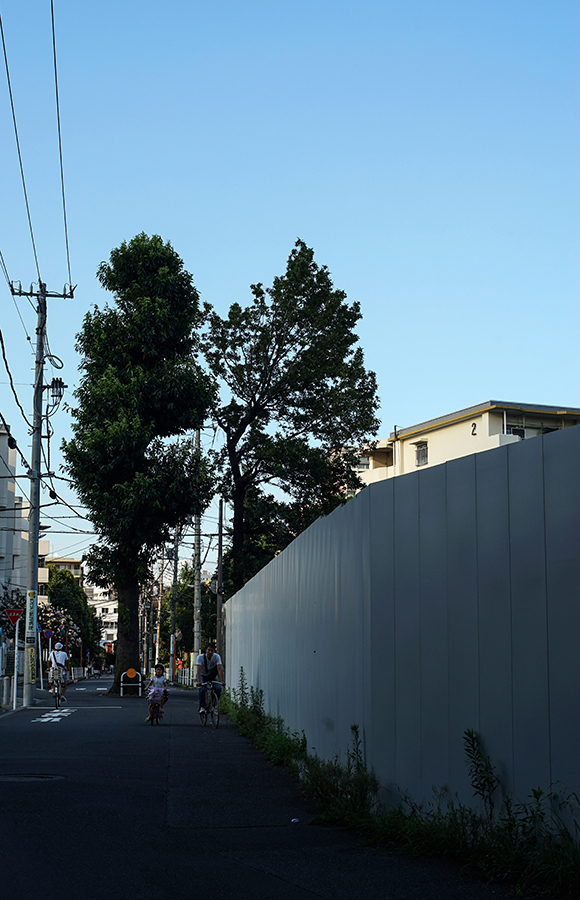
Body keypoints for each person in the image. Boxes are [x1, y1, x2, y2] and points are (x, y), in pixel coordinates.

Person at [196, 643, 225, 714]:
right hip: (202, 675)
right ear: (205, 650)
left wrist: (222, 681)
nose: (210, 652)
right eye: (208, 650)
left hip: (211, 676)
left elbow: (219, 668)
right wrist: (199, 681)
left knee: (218, 688)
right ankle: (202, 707)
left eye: (212, 650)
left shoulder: (216, 657)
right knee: (202, 689)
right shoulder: (200, 657)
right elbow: (198, 670)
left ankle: (213, 705)